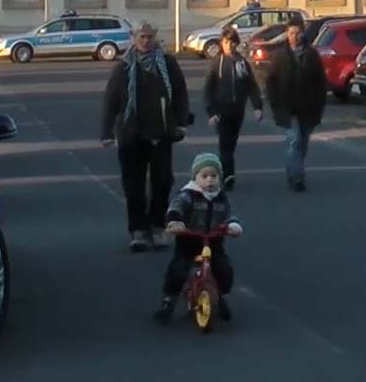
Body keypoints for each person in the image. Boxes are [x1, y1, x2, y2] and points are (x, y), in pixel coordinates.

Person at [101, 22, 190, 252]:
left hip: (160, 132)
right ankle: (138, 230)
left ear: (155, 38)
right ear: (133, 38)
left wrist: (181, 122)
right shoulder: (124, 67)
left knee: (162, 182)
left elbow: (180, 92)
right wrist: (107, 132)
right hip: (131, 133)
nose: (145, 41)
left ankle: (157, 226)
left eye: (149, 37)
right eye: (141, 37)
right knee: (134, 185)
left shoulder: (167, 64)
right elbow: (111, 100)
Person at [155, 153, 243, 323]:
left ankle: (221, 295)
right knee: (178, 268)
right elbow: (176, 207)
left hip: (213, 241)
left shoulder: (221, 198)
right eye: (204, 176)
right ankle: (169, 300)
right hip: (189, 240)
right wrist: (175, 221)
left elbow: (229, 214)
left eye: (214, 176)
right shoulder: (188, 194)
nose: (209, 180)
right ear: (195, 177)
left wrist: (233, 225)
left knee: (223, 268)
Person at [263, 16, 327, 192]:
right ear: (286, 33)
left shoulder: (311, 54)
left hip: (308, 107)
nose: (294, 36)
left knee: (303, 142)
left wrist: (319, 104)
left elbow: (321, 82)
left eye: (297, 33)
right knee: (294, 140)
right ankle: (297, 177)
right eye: (291, 33)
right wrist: (275, 103)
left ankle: (294, 169)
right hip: (287, 107)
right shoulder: (280, 55)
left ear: (302, 33)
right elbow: (271, 82)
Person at [201, 27, 263, 189]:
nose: (230, 46)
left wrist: (257, 107)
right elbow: (208, 89)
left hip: (238, 110)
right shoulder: (216, 63)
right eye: (226, 42)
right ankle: (228, 176)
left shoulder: (241, 63)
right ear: (222, 43)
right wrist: (211, 112)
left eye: (232, 43)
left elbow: (251, 85)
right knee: (225, 143)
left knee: (231, 144)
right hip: (221, 110)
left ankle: (224, 169)